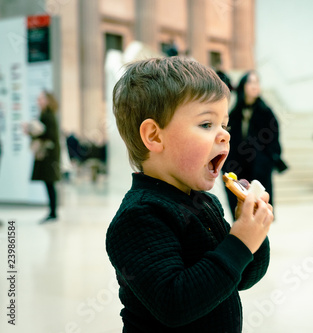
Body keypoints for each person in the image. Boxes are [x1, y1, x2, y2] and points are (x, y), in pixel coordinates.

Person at [106, 57, 273, 332]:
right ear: (155, 137)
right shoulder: (139, 217)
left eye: (225, 124)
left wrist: (254, 231)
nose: (224, 136)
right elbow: (175, 304)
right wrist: (240, 242)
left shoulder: (206, 203)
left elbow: (241, 277)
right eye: (207, 124)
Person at [222, 70, 285, 220]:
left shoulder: (266, 113)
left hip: (259, 171)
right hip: (237, 169)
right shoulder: (234, 113)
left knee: (259, 214)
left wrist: (265, 161)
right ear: (243, 85)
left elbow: (274, 143)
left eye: (257, 82)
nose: (255, 86)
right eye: (251, 82)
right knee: (239, 213)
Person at [24, 90, 61, 222]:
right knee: (49, 183)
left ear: (47, 100)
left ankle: (53, 212)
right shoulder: (45, 114)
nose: (38, 101)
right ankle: (52, 211)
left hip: (48, 155)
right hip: (48, 154)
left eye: (41, 99)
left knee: (49, 183)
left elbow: (48, 135)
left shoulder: (48, 116)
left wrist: (31, 130)